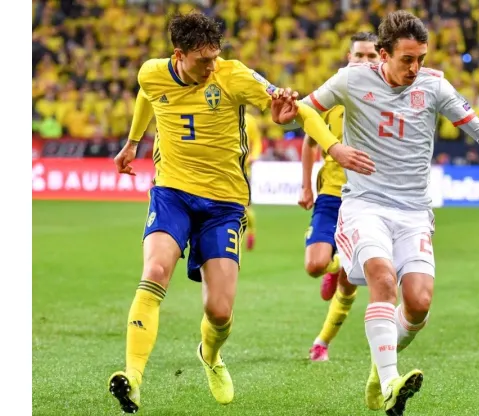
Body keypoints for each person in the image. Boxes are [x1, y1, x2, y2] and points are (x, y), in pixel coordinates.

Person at [283, 10, 479, 415]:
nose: (416, 68)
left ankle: (380, 373)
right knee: (382, 278)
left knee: (418, 303)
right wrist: (334, 147)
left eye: (421, 59)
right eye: (407, 60)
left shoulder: (434, 86)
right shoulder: (352, 79)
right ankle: (393, 382)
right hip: (365, 205)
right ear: (382, 54)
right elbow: (305, 111)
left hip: (414, 210)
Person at [107, 11, 374, 414]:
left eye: (216, 56)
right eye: (203, 60)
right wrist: (132, 142)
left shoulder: (233, 75)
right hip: (172, 193)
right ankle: (133, 378)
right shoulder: (152, 72)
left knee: (219, 311)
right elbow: (147, 93)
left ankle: (210, 355)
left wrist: (328, 145)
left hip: (224, 205)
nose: (212, 65)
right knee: (155, 271)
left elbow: (296, 110)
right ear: (179, 55)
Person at [298, 32, 381, 362]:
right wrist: (306, 186)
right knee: (315, 265)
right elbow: (308, 141)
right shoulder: (332, 96)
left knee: (350, 283)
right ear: (349, 58)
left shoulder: (389, 99)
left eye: (371, 56)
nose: (363, 61)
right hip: (332, 195)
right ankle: (334, 264)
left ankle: (322, 342)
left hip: (369, 199)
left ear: (382, 58)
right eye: (358, 55)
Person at [243, 111, 262, 251]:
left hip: (244, 171)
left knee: (245, 208)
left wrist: (253, 156)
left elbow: (257, 142)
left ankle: (251, 232)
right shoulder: (222, 116)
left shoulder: (249, 120)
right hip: (224, 171)